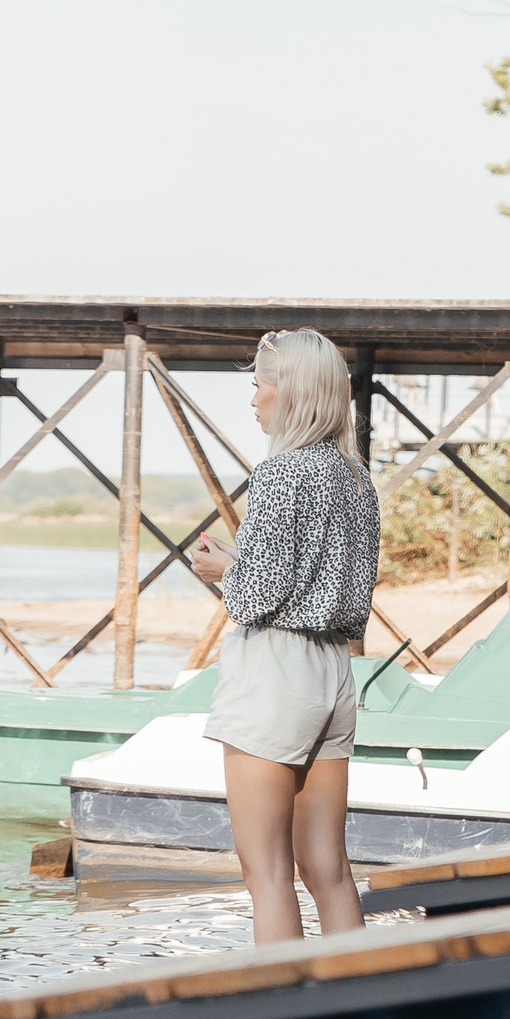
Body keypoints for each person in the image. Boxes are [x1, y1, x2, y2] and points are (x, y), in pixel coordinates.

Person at [184, 328, 379, 945]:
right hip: (332, 674)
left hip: (275, 674)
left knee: (266, 872)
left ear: (289, 393)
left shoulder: (280, 471)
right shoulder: (355, 477)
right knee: (329, 870)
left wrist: (224, 568)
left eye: (260, 386)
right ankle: (359, 1006)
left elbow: (253, 597)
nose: (254, 401)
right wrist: (245, 561)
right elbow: (326, 585)